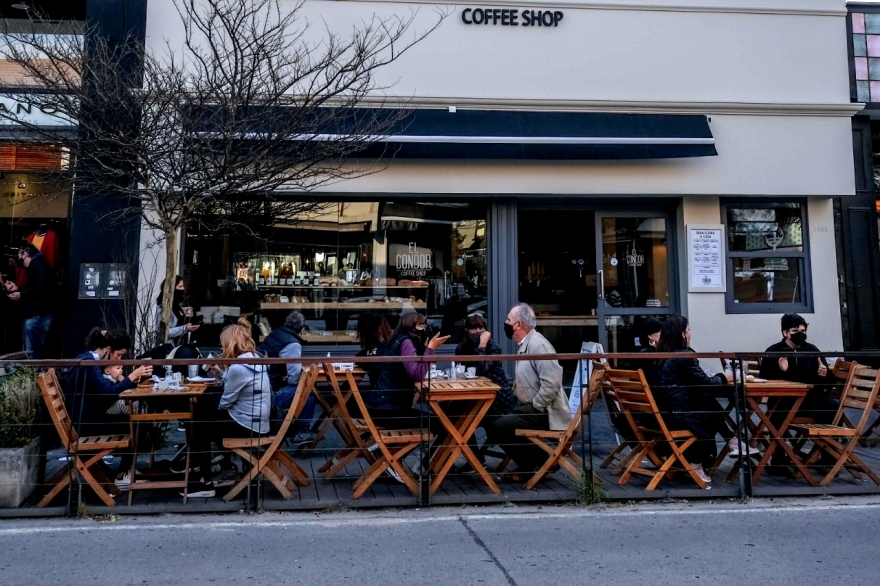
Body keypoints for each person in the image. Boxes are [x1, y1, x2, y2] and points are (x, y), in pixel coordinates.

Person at [485, 303, 572, 482]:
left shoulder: (538, 344)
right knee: (491, 419)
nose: (505, 323)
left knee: (498, 426)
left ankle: (541, 460)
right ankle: (531, 462)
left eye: (509, 320)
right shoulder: (527, 343)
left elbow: (553, 381)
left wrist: (537, 405)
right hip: (529, 407)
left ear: (518, 325)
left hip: (544, 411)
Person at [188, 319, 271, 498]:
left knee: (198, 422)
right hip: (259, 423)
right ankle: (221, 460)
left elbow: (226, 403)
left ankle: (205, 480)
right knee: (204, 415)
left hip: (247, 426)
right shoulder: (256, 359)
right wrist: (221, 373)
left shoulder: (238, 367)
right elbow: (240, 386)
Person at [652, 315, 737, 484]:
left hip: (664, 413)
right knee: (707, 403)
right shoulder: (683, 356)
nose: (691, 334)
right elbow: (707, 384)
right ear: (682, 334)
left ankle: (733, 442)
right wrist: (725, 377)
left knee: (706, 401)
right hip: (680, 416)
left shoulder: (660, 355)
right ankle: (697, 462)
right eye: (689, 330)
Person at [67, 328, 153, 488]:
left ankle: (126, 470)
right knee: (139, 423)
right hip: (86, 425)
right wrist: (131, 377)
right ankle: (123, 474)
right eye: (118, 355)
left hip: (87, 419)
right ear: (108, 350)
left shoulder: (89, 361)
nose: (119, 359)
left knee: (138, 420)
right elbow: (108, 393)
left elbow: (106, 392)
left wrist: (126, 380)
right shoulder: (90, 364)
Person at [370, 312, 448, 429]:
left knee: (443, 422)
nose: (424, 329)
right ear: (410, 326)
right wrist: (430, 349)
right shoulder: (406, 342)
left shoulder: (398, 339)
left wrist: (426, 349)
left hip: (382, 405)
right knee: (443, 424)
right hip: (389, 409)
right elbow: (417, 375)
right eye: (421, 326)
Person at [758, 313, 838, 425]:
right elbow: (764, 378)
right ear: (785, 333)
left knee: (832, 405)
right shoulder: (774, 351)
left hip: (810, 398)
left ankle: (828, 440)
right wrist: (781, 371)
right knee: (780, 407)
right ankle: (779, 441)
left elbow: (830, 382)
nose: (800, 334)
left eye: (803, 331)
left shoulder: (812, 350)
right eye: (795, 331)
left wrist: (825, 374)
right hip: (783, 398)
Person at [258, 311, 315, 444]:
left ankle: (294, 427)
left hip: (265, 385)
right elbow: (294, 376)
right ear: (302, 328)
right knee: (307, 394)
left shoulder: (275, 333)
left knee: (302, 391)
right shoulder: (293, 344)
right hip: (273, 392)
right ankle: (302, 432)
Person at [4, 243, 54, 358]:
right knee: (31, 349)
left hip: (37, 314)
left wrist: (21, 294)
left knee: (32, 352)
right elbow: (36, 288)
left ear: (25, 254)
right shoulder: (36, 266)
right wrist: (18, 289)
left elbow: (41, 288)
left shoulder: (38, 265)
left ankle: (33, 373)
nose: (18, 258)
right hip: (36, 313)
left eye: (19, 255)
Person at [154, 275, 199, 343]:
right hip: (169, 348)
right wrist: (184, 328)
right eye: (180, 286)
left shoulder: (176, 307)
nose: (183, 289)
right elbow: (164, 332)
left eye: (183, 286)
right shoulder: (164, 308)